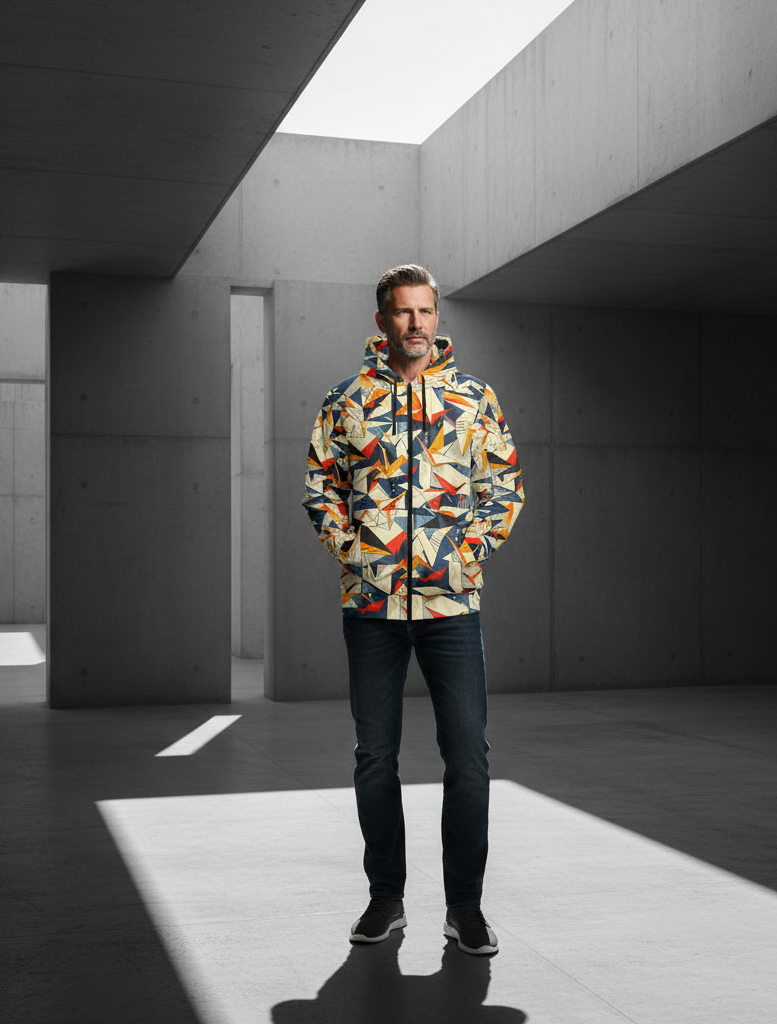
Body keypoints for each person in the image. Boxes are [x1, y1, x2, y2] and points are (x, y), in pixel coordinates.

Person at [303, 264, 524, 956]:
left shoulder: (472, 398)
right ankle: (385, 900)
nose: (417, 324)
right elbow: (320, 486)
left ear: (437, 317)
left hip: (450, 604)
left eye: (426, 311)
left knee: (470, 757)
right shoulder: (347, 402)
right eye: (403, 313)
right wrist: (357, 553)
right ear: (382, 322)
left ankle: (466, 908)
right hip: (370, 607)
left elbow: (505, 488)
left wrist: (465, 556)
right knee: (376, 757)